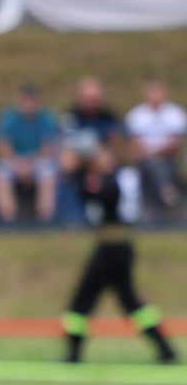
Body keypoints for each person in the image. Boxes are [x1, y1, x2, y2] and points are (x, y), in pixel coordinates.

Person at [61, 136, 175, 366]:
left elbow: (100, 194)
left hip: (111, 247)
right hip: (119, 246)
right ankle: (165, 350)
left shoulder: (106, 180)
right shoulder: (103, 178)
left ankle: (73, 355)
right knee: (131, 303)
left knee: (81, 301)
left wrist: (80, 171)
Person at [0, 82, 58, 225]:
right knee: (0, 173)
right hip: (14, 160)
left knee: (48, 173)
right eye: (26, 100)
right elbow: (3, 148)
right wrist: (18, 166)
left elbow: (47, 149)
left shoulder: (46, 118)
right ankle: (8, 219)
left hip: (37, 161)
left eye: (32, 100)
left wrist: (30, 165)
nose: (29, 104)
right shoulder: (9, 118)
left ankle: (45, 218)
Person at [124, 80, 185, 212]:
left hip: (170, 160)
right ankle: (167, 191)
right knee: (154, 165)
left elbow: (175, 144)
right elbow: (135, 144)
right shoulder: (137, 115)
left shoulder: (175, 113)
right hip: (144, 160)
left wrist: (155, 153)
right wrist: (150, 154)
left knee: (158, 164)